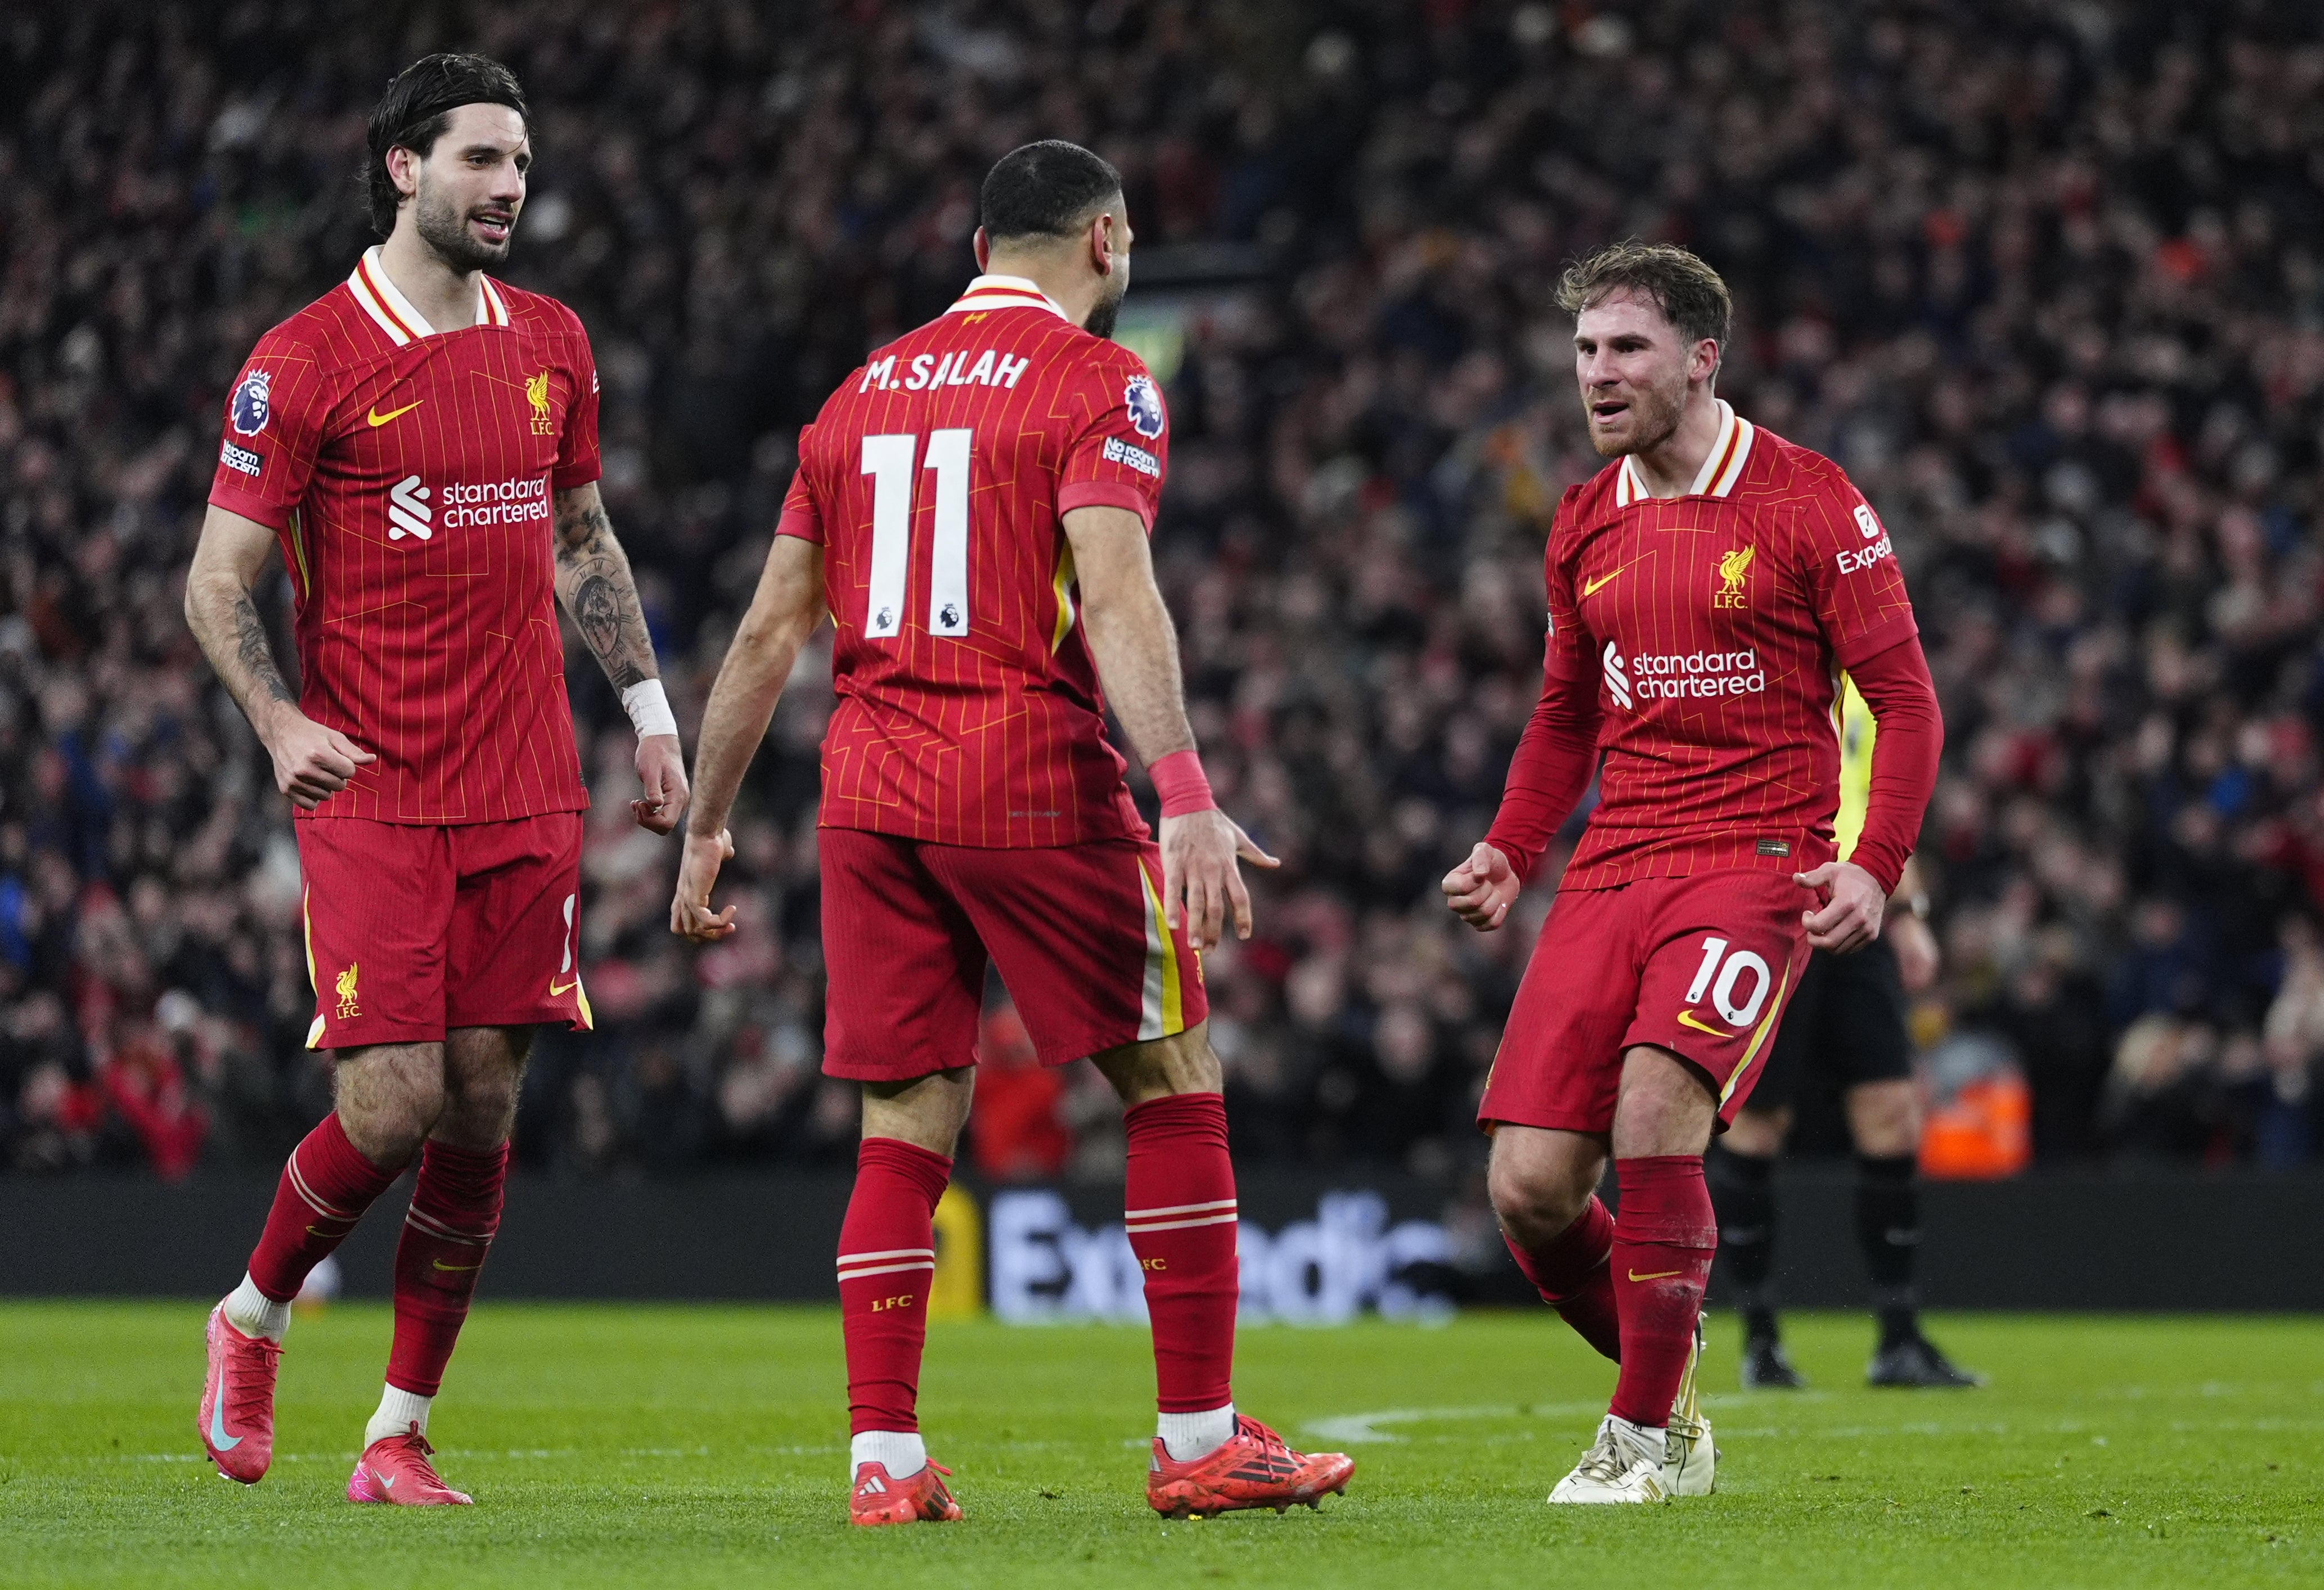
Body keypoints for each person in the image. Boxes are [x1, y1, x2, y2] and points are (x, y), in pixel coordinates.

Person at [672, 140, 1354, 1526]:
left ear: (980, 249)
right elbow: (1115, 593)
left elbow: (767, 629)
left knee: (903, 1118)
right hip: (1022, 773)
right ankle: (1199, 1438)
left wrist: (706, 824)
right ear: (1106, 240)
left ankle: (884, 1460)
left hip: (867, 790)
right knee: (1172, 1071)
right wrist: (1184, 791)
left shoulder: (856, 392)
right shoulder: (1101, 381)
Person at [184, 53, 686, 1506]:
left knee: (479, 1108)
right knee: (392, 1103)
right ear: (402, 167)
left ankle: (396, 1432)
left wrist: (650, 710)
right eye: (480, 158)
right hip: (373, 785)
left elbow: (581, 536)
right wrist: (278, 723)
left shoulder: (552, 342)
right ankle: (254, 1313)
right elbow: (215, 582)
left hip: (525, 785)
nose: (510, 185)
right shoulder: (304, 362)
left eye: (520, 161)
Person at [1441, 240, 1943, 1504]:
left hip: (1756, 858)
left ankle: (1646, 1438)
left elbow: (1906, 702)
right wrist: (1510, 846)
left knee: (1654, 1116)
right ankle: (1671, 1369)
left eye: (1628, 348)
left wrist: (1874, 865)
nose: (1597, 374)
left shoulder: (1808, 498)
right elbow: (1566, 713)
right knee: (1529, 1188)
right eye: (1584, 350)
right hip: (1615, 862)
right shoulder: (1582, 517)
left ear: (1701, 358)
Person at [1713, 682, 1981, 1389]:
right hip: (1774, 900)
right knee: (1759, 1123)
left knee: (1893, 1113)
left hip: (1861, 905)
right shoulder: (1771, 665)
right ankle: (1759, 1340)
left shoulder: (1872, 686)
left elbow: (1881, 806)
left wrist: (1910, 914)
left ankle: (1898, 1339)